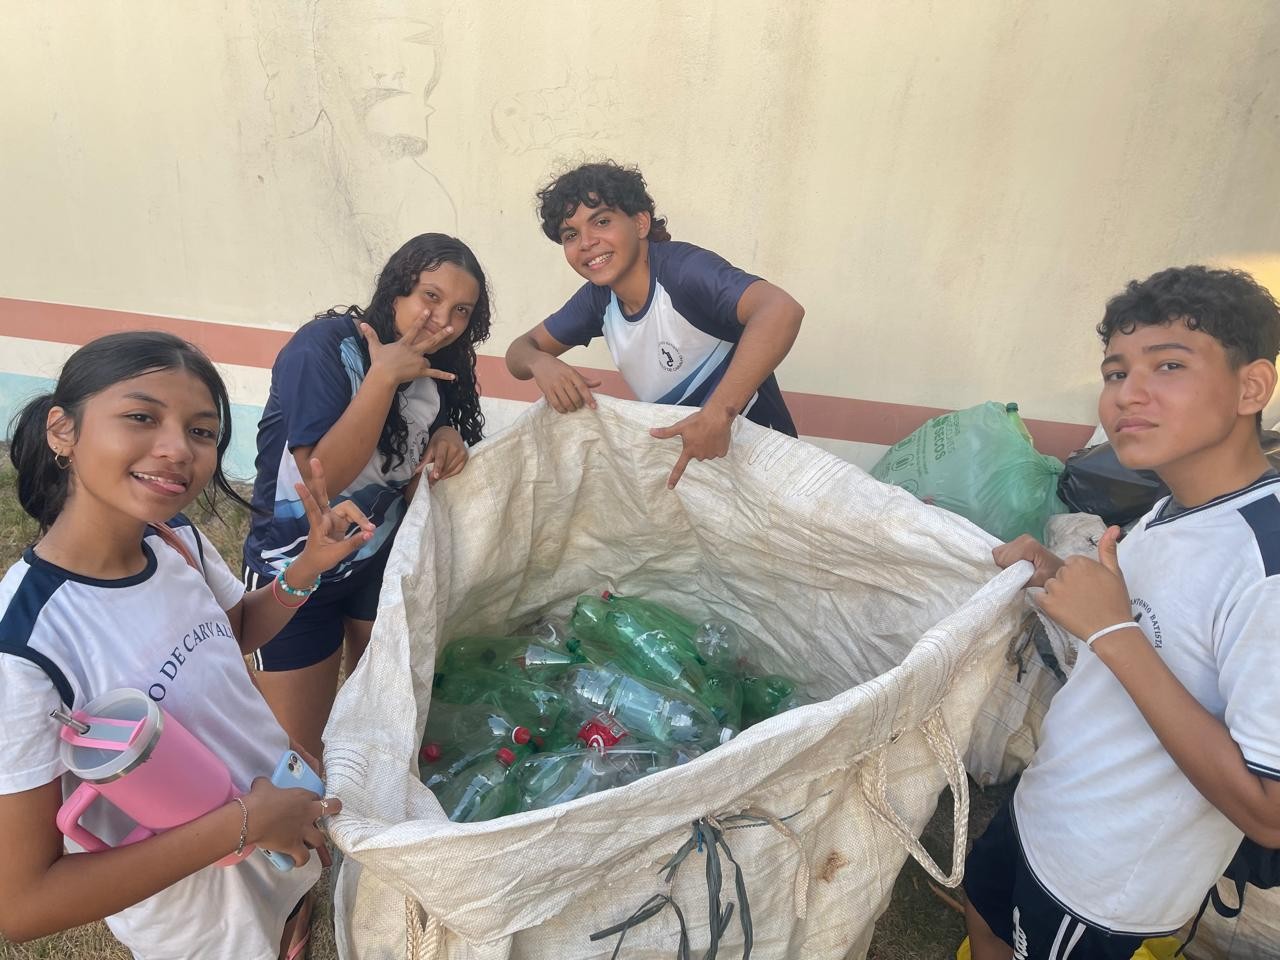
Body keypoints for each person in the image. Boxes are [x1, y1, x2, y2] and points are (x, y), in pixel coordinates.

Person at [0, 331, 369, 959]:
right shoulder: (26, 646)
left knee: (289, 924)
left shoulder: (173, 539)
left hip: (279, 844)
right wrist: (247, 823)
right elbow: (25, 904)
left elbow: (234, 632)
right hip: (203, 922)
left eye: (201, 431)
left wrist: (306, 569)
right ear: (63, 430)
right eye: (141, 417)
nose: (177, 450)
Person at [964, 266, 1280, 960]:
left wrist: (1112, 630)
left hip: (1104, 877)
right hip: (1048, 802)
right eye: (1115, 372)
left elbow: (1268, 812)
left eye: (1168, 365)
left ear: (1252, 387)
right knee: (983, 917)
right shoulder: (1173, 506)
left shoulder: (1269, 566)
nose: (1127, 395)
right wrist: (1055, 579)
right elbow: (1149, 633)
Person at [244, 233, 491, 756]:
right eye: (430, 296)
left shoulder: (439, 367)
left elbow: (412, 466)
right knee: (298, 757)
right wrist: (381, 379)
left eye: (461, 311)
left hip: (377, 564)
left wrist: (448, 437)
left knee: (377, 734)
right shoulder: (324, 347)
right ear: (396, 289)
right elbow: (324, 477)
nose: (444, 320)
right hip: (294, 573)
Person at [504, 160, 804, 488]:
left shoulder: (683, 272)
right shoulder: (597, 299)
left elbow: (781, 309)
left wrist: (718, 414)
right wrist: (540, 362)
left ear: (640, 223)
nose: (587, 242)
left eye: (601, 221)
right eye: (571, 235)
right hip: (701, 478)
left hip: (767, 468)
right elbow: (518, 353)